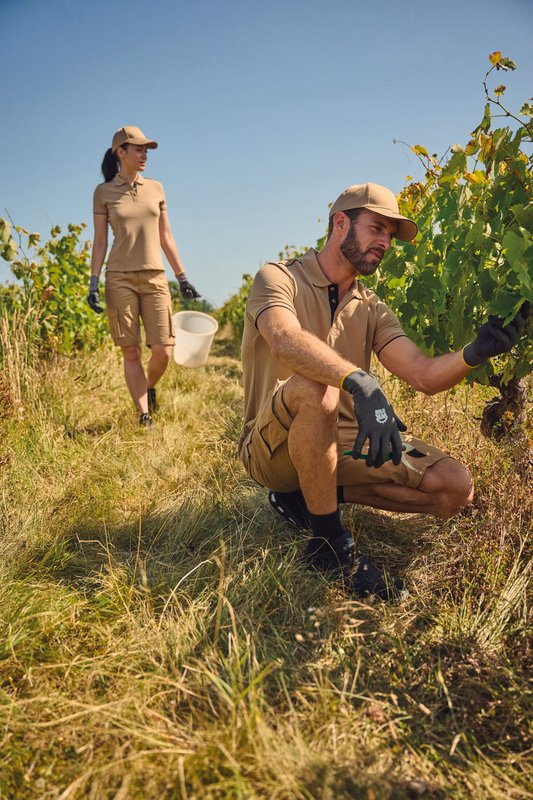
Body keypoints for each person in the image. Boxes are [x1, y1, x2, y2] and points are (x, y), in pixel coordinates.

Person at [238, 182, 529, 601]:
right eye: (377, 228)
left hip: (337, 445)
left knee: (454, 489)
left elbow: (424, 375)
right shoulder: (279, 278)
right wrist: (360, 381)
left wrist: (475, 352)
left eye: (391, 235)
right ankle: (329, 549)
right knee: (318, 390)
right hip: (272, 445)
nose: (385, 242)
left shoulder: (371, 307)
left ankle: (309, 497)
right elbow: (284, 339)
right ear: (341, 223)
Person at [88, 125, 200, 426]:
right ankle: (143, 414)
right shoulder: (103, 193)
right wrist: (94, 281)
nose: (144, 155)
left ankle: (149, 387)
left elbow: (167, 236)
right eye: (138, 149)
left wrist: (182, 276)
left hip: (155, 277)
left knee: (163, 349)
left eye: (146, 150)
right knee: (131, 350)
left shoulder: (156, 188)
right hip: (119, 277)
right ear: (120, 152)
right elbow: (100, 241)